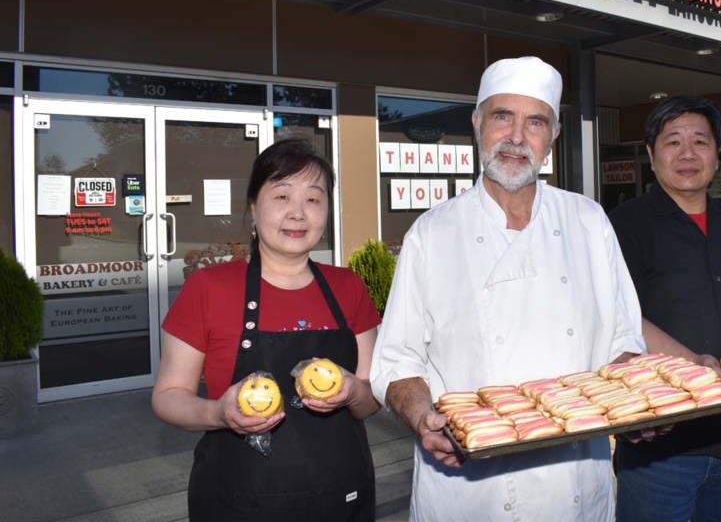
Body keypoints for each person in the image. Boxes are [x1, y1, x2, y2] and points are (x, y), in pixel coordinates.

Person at [370, 56, 647, 521]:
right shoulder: (432, 233)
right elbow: (398, 360)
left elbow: (624, 340)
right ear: (477, 123)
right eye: (503, 116)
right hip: (471, 493)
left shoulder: (588, 221)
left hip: (576, 488)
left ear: (553, 137)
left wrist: (636, 403)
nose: (517, 137)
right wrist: (422, 419)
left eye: (535, 122)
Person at [152, 138, 382, 522]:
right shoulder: (209, 287)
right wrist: (219, 413)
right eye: (281, 196)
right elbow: (168, 396)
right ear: (253, 209)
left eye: (313, 199)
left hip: (341, 496)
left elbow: (371, 398)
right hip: (239, 501)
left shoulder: (348, 287)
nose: (298, 214)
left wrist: (352, 391)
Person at [608, 95, 721, 522]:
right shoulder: (622, 226)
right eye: (673, 142)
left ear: (718, 157)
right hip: (659, 449)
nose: (688, 154)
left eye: (700, 142)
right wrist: (691, 364)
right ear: (651, 155)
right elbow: (614, 315)